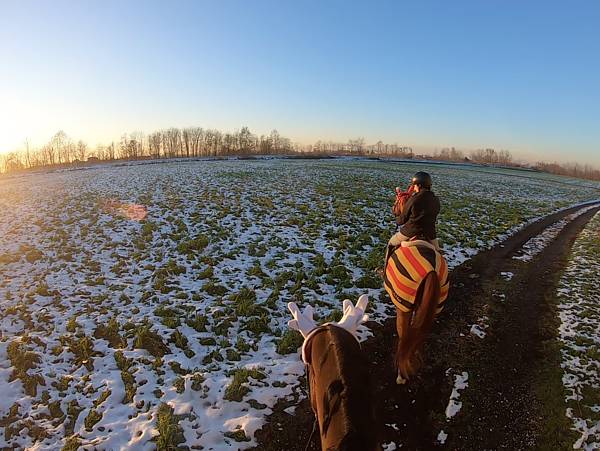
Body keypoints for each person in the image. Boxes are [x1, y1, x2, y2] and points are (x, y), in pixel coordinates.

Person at [384, 171, 440, 264]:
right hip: (430, 233)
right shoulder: (436, 200)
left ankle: (385, 269)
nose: (414, 188)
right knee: (439, 253)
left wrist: (397, 219)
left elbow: (402, 219)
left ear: (419, 185)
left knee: (391, 243)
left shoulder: (414, 199)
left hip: (411, 231)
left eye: (414, 185)